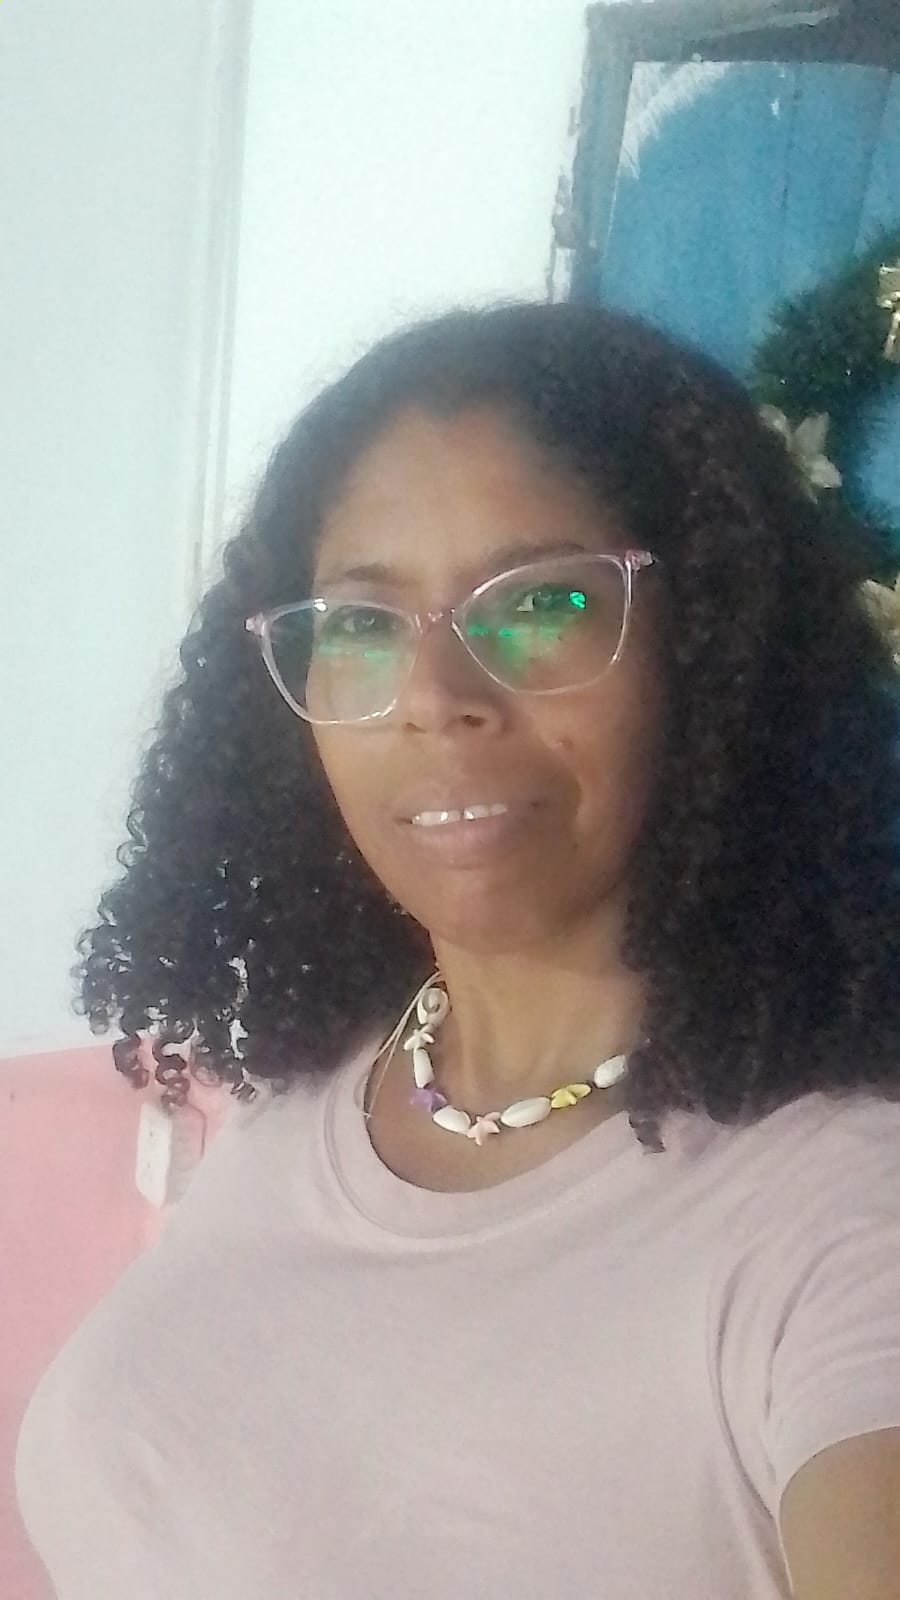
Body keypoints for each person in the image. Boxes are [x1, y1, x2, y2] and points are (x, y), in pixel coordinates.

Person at [15, 301, 900, 1599]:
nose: (436, 697)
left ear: (709, 644)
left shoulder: (845, 1217)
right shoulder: (319, 1094)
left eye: (541, 602)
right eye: (361, 624)